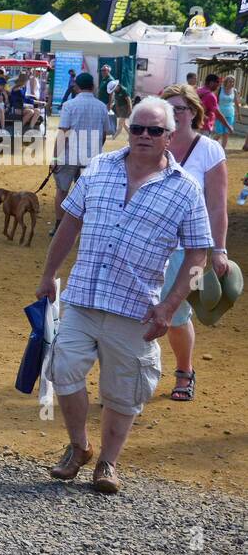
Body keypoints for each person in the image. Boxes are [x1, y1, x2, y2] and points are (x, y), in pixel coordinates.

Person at [37, 97, 212, 494]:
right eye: (137, 128)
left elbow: (197, 253)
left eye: (154, 130)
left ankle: (108, 463)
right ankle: (79, 447)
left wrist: (170, 306)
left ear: (169, 136)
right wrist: (49, 273)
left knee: (124, 391)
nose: (144, 136)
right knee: (63, 371)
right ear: (127, 130)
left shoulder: (186, 189)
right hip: (83, 296)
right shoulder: (99, 167)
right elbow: (70, 223)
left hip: (136, 308)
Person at [156, 83, 230, 402]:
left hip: (191, 253)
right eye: (167, 110)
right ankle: (131, 376)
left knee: (177, 315)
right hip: (148, 246)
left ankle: (184, 371)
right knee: (133, 313)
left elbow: (217, 205)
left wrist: (220, 250)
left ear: (194, 112)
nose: (174, 115)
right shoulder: (153, 143)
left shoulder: (209, 150)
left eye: (180, 109)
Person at [51, 71, 110, 235]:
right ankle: (82, 228)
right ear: (93, 87)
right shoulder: (101, 107)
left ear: (76, 87)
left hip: (69, 155)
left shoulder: (69, 106)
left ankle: (59, 226)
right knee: (86, 195)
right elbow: (104, 134)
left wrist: (56, 157)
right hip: (91, 158)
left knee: (62, 191)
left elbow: (63, 132)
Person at [214, 74, 238, 151]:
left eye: (233, 82)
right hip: (220, 114)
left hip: (230, 114)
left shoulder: (234, 90)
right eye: (230, 82)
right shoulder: (220, 89)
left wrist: (239, 113)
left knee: (226, 133)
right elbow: (214, 101)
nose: (232, 84)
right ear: (226, 82)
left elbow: (236, 102)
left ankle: (222, 150)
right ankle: (210, 147)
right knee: (219, 133)